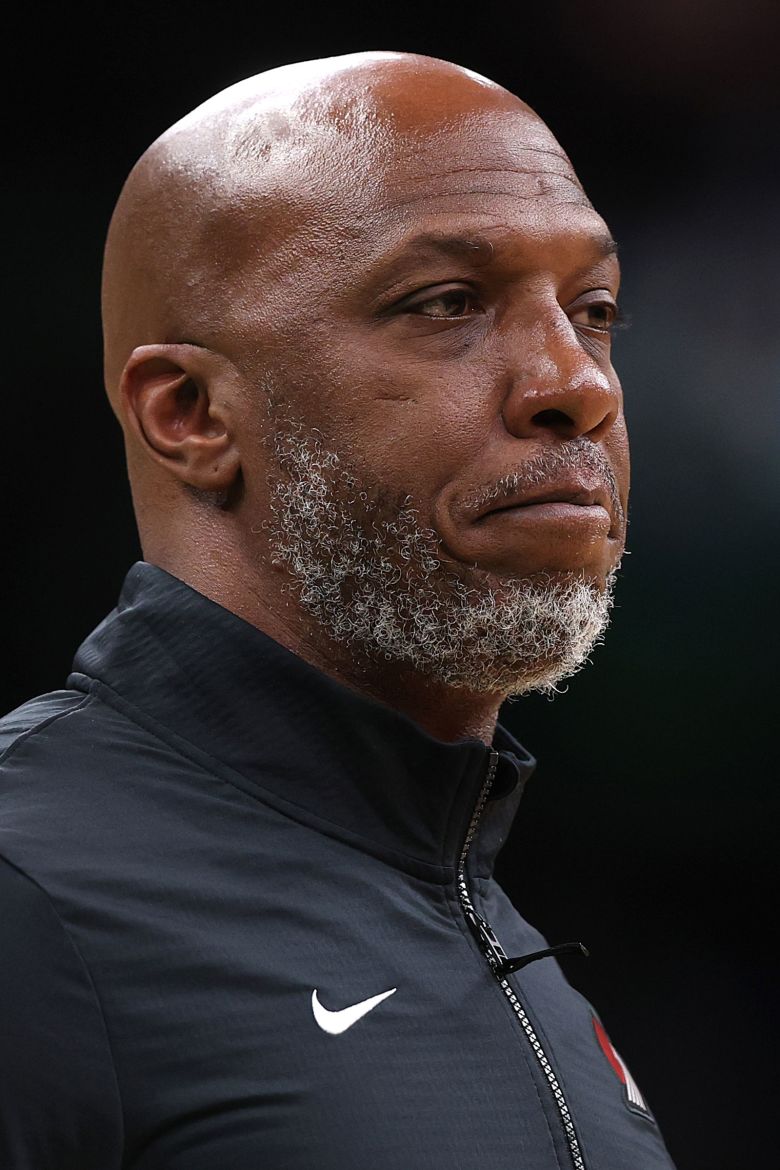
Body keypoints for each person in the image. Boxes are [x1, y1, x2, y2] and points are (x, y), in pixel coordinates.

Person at [0, 51, 676, 1169]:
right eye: (447, 304)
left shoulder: (508, 948)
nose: (579, 383)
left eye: (593, 309)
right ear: (190, 413)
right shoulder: (30, 893)